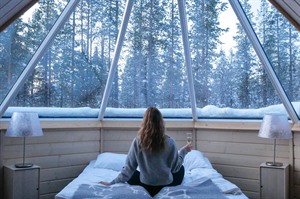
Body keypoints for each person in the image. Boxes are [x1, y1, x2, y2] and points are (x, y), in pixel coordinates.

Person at [99, 107, 192, 197]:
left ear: (144, 122)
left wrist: (111, 183)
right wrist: (184, 151)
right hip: (166, 184)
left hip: (146, 185)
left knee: (130, 172)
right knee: (182, 169)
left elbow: (129, 168)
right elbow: (175, 169)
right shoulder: (171, 142)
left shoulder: (138, 141)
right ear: (161, 122)